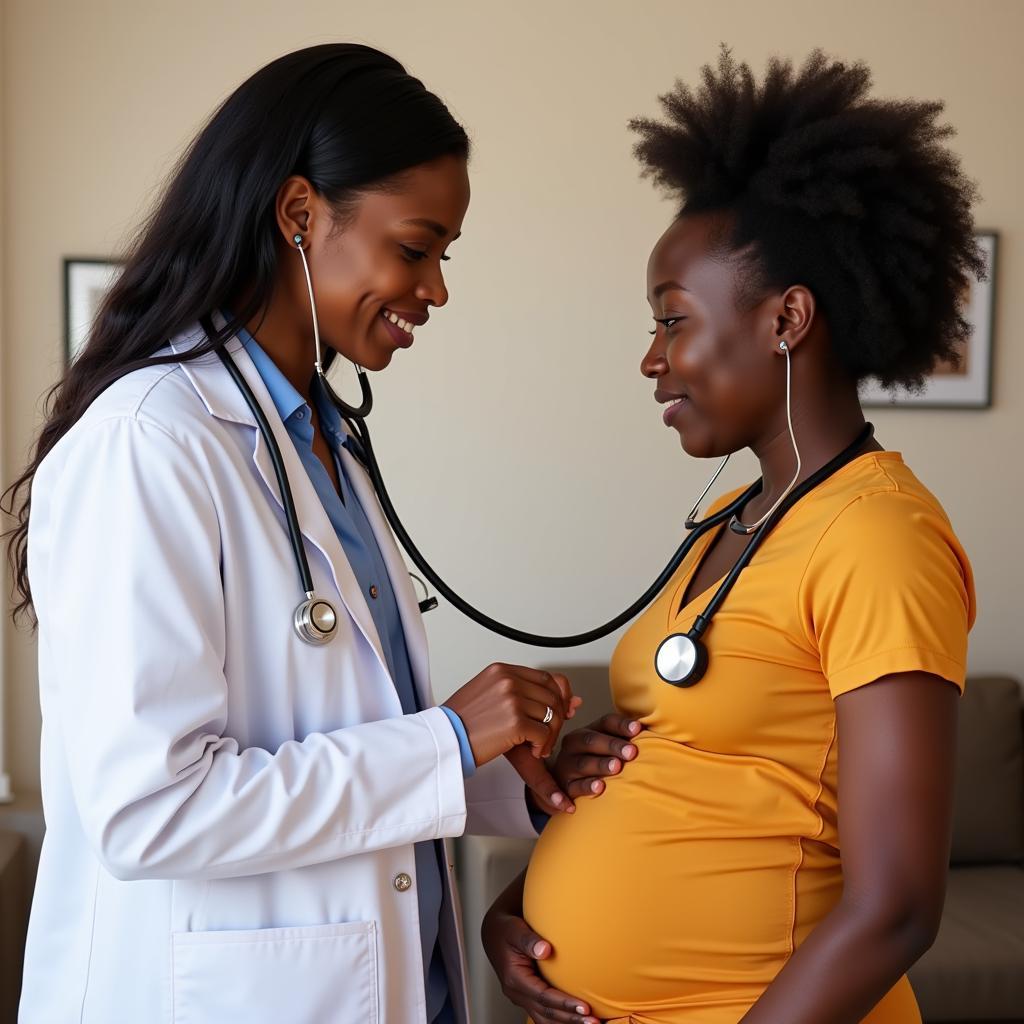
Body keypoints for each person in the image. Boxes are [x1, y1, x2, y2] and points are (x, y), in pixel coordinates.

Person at [2, 43, 632, 1023]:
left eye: (443, 256)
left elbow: (334, 753)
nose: (435, 289)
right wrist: (451, 736)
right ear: (300, 213)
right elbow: (150, 812)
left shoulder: (317, 437)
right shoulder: (151, 438)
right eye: (415, 247)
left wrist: (517, 786)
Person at [483, 48, 980, 1024]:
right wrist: (515, 915)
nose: (650, 359)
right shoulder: (732, 517)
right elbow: (678, 775)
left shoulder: (879, 537)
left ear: (786, 319)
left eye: (672, 321)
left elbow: (896, 907)